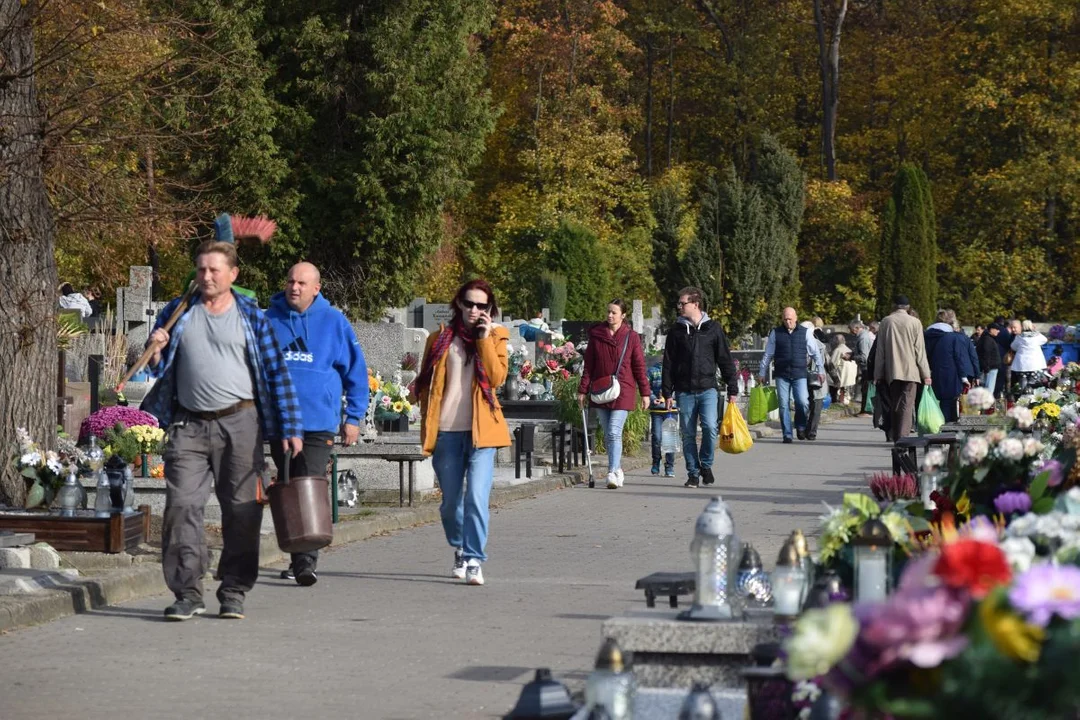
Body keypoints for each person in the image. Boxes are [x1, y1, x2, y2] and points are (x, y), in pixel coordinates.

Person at [141, 241, 303, 621]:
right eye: (201, 269)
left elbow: (277, 374)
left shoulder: (252, 317)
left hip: (241, 423)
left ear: (233, 275)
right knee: (182, 507)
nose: (206, 276)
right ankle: (187, 592)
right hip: (188, 424)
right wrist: (157, 347)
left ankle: (233, 589)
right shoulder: (178, 311)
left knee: (242, 511)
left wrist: (291, 427)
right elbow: (153, 369)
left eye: (214, 270)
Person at [266, 262, 369, 587]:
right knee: (286, 487)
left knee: (308, 484)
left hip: (318, 422)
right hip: (280, 423)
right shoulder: (269, 320)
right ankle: (296, 553)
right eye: (290, 281)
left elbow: (355, 372)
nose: (294, 287)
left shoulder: (334, 322)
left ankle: (305, 561)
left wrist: (353, 418)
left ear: (316, 288)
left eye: (301, 283)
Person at [414, 279, 510, 586]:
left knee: (476, 499)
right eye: (469, 303)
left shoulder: (496, 338)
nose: (474, 310)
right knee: (450, 504)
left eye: (481, 305)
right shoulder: (439, 339)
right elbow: (425, 379)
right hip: (447, 432)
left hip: (483, 434)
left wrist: (483, 338)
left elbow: (496, 378)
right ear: (459, 304)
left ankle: (473, 559)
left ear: (489, 310)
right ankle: (459, 546)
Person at [661, 287, 738, 488]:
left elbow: (725, 358)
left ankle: (706, 464)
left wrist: (733, 388)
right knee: (687, 434)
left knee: (711, 427)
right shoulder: (676, 331)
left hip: (707, 389)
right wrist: (667, 391)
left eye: (682, 303)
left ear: (695, 304)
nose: (679, 306)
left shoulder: (713, 329)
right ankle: (693, 473)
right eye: (679, 303)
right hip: (684, 390)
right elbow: (668, 363)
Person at [578, 300, 650, 488]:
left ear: (623, 315)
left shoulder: (631, 337)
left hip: (623, 389)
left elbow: (639, 366)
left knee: (613, 432)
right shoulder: (596, 336)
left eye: (614, 313)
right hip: (601, 389)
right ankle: (618, 469)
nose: (610, 315)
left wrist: (645, 393)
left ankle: (611, 472)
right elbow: (589, 366)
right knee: (609, 433)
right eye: (608, 312)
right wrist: (582, 390)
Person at [758, 308, 825, 443]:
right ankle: (787, 434)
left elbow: (815, 353)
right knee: (783, 405)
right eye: (785, 319)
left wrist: (821, 370)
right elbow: (768, 354)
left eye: (790, 319)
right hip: (782, 374)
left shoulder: (805, 333)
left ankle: (800, 425)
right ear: (782, 319)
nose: (788, 322)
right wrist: (762, 372)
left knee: (803, 402)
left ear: (795, 318)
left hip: (799, 373)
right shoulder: (776, 333)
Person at [873, 295, 932, 442]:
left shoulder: (886, 322)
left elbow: (880, 351)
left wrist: (878, 373)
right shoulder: (915, 323)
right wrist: (926, 373)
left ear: (894, 306)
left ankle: (895, 433)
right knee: (907, 404)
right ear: (908, 307)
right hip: (911, 370)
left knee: (895, 403)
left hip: (891, 370)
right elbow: (920, 351)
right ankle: (903, 437)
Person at [924, 310, 979, 422]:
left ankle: (941, 425)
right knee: (954, 403)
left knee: (943, 402)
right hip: (952, 374)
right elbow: (959, 358)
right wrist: (966, 377)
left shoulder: (926, 335)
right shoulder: (954, 337)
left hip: (934, 372)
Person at [647, 360, 676, 476]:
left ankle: (669, 466)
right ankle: (656, 462)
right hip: (657, 410)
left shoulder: (676, 370)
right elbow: (645, 385)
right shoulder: (653, 371)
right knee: (657, 437)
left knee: (669, 439)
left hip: (671, 410)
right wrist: (653, 398)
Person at [802, 321, 829, 441]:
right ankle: (806, 430)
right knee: (806, 405)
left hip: (816, 380)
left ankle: (811, 431)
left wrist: (836, 379)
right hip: (804, 379)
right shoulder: (799, 344)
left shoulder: (820, 346)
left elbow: (828, 363)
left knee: (816, 406)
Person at [1010, 320, 1048, 395]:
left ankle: (1023, 400)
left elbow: (1013, 347)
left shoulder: (1019, 337)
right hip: (1035, 365)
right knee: (1033, 385)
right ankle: (1033, 401)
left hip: (1022, 366)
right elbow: (1045, 340)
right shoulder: (1037, 336)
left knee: (1023, 385)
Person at [850, 320, 874, 416]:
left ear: (856, 328)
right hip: (866, 367)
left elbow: (864, 357)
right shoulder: (863, 336)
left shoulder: (863, 338)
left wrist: (851, 357)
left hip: (866, 367)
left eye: (851, 329)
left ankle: (866, 410)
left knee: (865, 388)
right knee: (865, 388)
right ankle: (864, 410)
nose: (850, 332)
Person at [828, 334, 858, 405]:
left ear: (836, 341)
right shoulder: (849, 349)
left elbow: (831, 364)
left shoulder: (838, 350)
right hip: (851, 377)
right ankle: (844, 399)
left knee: (829, 378)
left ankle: (834, 400)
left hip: (842, 376)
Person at [976, 323, 1002, 397]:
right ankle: (987, 406)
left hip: (989, 367)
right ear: (991, 330)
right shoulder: (988, 339)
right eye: (997, 329)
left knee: (987, 388)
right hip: (991, 368)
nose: (998, 331)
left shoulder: (986, 338)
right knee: (989, 389)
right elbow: (986, 354)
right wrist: (986, 368)